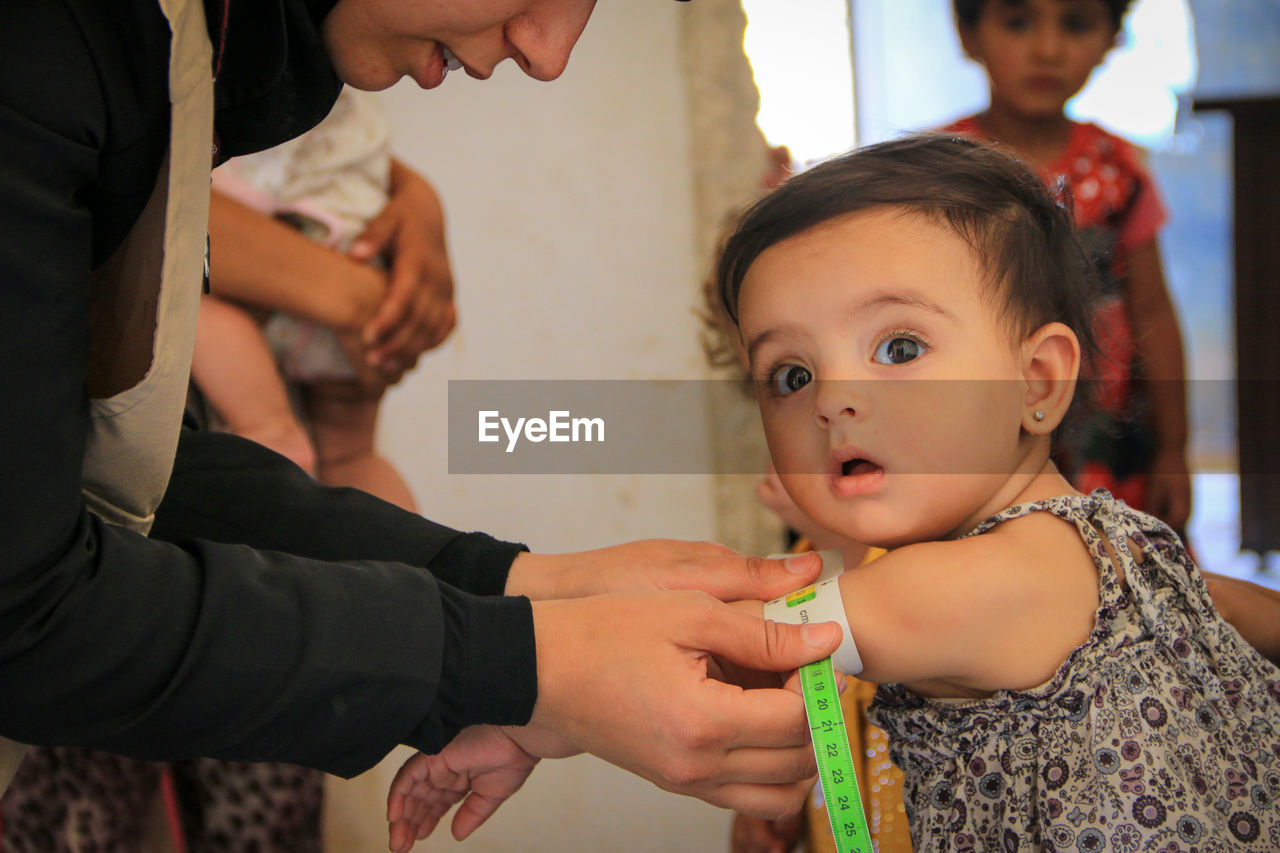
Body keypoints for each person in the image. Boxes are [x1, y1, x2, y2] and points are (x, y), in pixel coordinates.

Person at [0, 0, 840, 836]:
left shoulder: (191, 66)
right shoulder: (59, 45)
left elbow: (121, 489)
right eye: (787, 375)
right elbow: (30, 607)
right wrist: (529, 661)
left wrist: (526, 595)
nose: (549, 55)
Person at [387, 134, 1280, 848]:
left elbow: (734, 653)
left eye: (898, 348)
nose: (833, 398)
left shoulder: (985, 577)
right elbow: (1236, 610)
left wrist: (540, 718)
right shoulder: (1111, 550)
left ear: (1038, 381)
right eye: (789, 373)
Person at [943, 0, 1193, 534]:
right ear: (967, 34)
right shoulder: (938, 172)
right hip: (983, 445)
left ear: (1110, 39)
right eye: (1017, 22)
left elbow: (1154, 313)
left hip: (1110, 443)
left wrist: (1174, 449)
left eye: (1076, 24)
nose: (1048, 49)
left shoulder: (1121, 173)